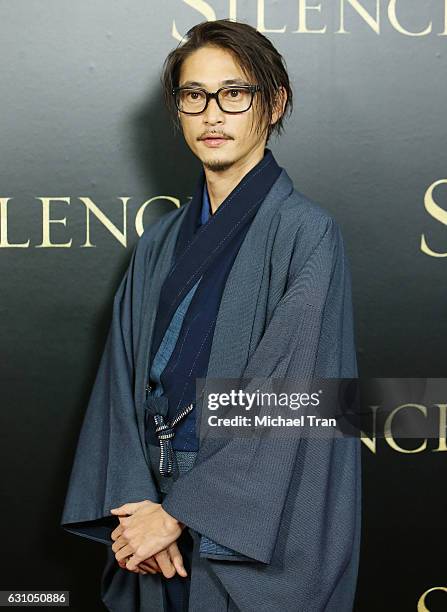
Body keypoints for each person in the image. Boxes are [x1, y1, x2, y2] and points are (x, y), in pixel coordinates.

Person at [61, 18, 362, 612]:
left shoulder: (307, 234)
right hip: (151, 518)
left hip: (248, 521)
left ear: (272, 104)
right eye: (194, 96)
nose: (212, 114)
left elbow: (296, 397)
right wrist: (136, 512)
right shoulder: (159, 242)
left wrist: (181, 514)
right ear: (178, 110)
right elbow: (118, 392)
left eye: (235, 93)